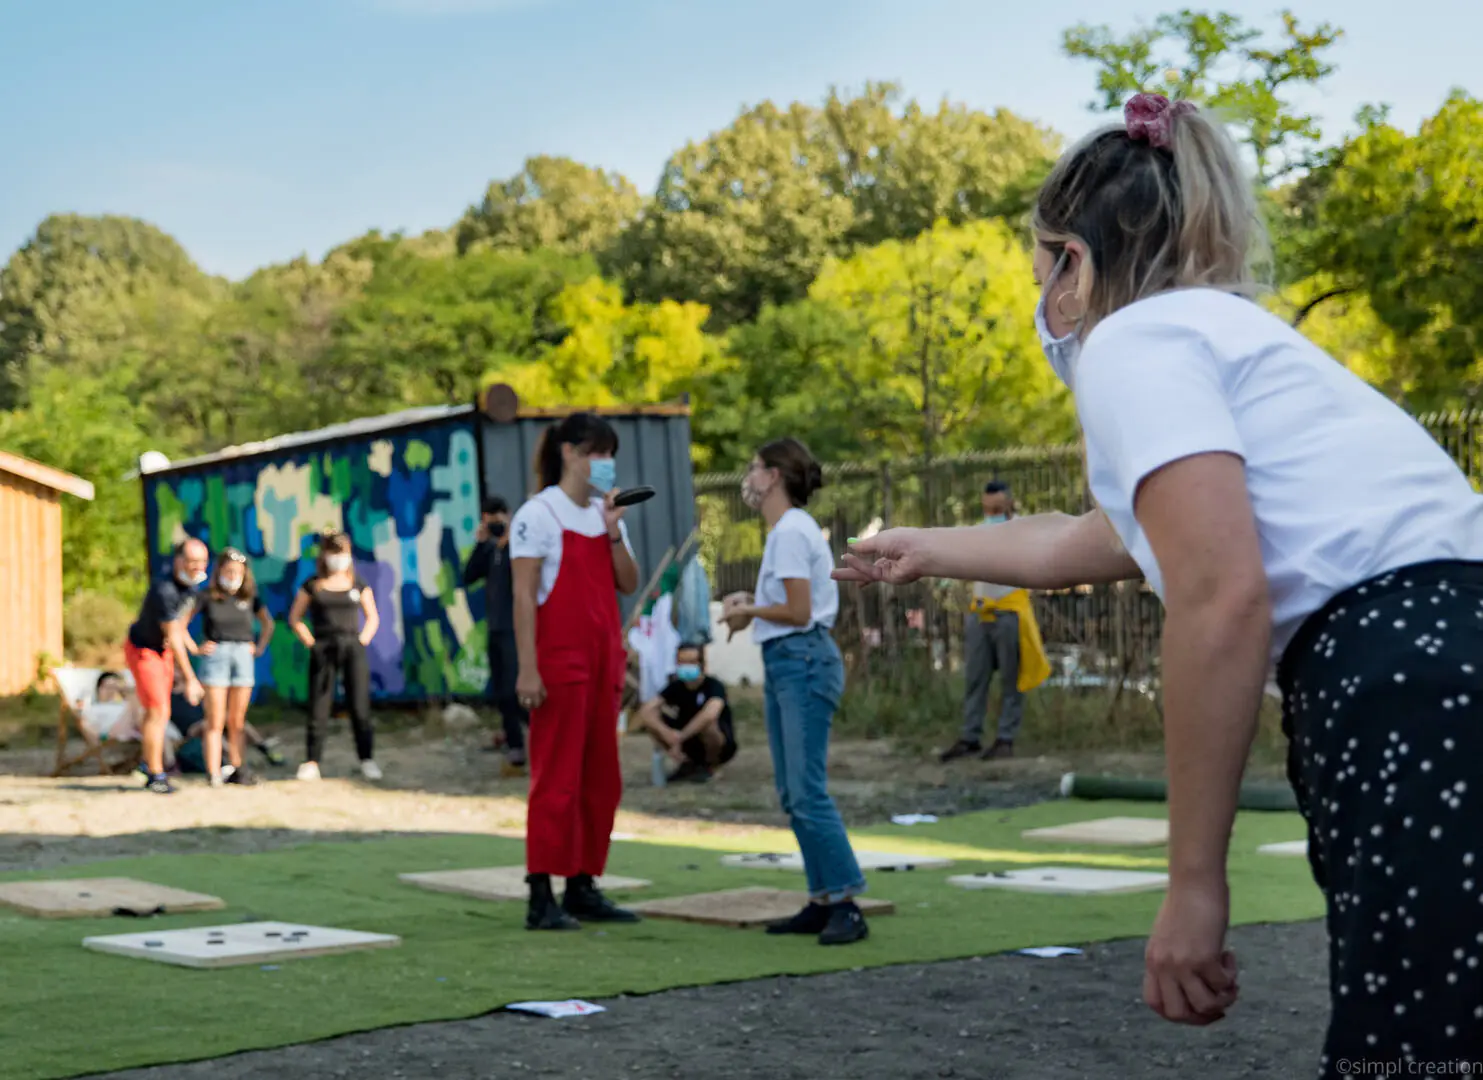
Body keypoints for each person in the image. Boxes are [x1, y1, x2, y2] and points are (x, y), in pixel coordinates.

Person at [834, 92, 1483, 1075]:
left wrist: (1191, 885)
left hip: (1414, 690)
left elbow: (1219, 594)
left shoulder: (1132, 343)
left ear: (1074, 261)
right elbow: (1087, 540)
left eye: (1039, 267)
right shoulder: (1242, 346)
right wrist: (930, 547)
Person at [719, 437, 868, 946]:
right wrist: (754, 602)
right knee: (793, 792)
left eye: (757, 467)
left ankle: (846, 900)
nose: (750, 477)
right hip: (794, 660)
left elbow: (799, 611)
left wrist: (749, 612)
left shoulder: (788, 532)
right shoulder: (791, 530)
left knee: (806, 791)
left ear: (775, 476)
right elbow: (791, 602)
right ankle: (822, 897)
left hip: (800, 659)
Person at [510, 412, 641, 931]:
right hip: (559, 663)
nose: (604, 464)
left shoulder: (602, 514)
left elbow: (626, 581)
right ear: (569, 452)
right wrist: (527, 668)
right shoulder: (537, 514)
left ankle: (584, 882)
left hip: (603, 662)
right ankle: (541, 891)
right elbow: (523, 595)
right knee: (556, 779)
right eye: (596, 452)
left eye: (609, 454)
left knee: (600, 781)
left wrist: (613, 532)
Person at [941, 480, 1050, 762]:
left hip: (1010, 612)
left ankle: (1005, 739)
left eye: (998, 508)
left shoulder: (1023, 531)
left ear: (1010, 504)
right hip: (981, 612)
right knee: (975, 678)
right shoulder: (979, 532)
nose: (992, 513)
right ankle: (970, 737)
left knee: (1013, 680)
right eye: (988, 509)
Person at [287, 531, 381, 782]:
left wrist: (362, 640)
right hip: (324, 647)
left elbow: (372, 616)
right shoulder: (313, 584)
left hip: (352, 646)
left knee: (359, 706)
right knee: (319, 705)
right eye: (333, 552)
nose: (338, 557)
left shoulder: (357, 583)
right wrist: (310, 642)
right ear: (324, 555)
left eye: (342, 552)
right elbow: (295, 618)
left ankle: (367, 759)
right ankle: (312, 760)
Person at [124, 538, 209, 794]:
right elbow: (172, 634)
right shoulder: (165, 590)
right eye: (193, 561)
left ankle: (147, 763)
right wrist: (191, 678)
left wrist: (194, 648)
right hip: (144, 650)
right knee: (156, 711)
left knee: (163, 713)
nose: (198, 566)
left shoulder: (191, 590)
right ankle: (155, 774)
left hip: (164, 652)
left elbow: (181, 628)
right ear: (179, 560)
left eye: (202, 561)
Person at [193, 548, 275, 788]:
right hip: (217, 655)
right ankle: (214, 771)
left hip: (242, 655)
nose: (232, 576)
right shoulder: (207, 595)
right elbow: (179, 623)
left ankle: (239, 768)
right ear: (219, 571)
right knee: (215, 720)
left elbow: (267, 623)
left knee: (237, 720)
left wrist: (259, 647)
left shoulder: (249, 596)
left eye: (237, 572)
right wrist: (196, 648)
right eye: (228, 571)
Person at [463, 495, 528, 777]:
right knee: (501, 692)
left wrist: (510, 539)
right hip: (496, 627)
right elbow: (468, 577)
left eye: (500, 520)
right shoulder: (489, 551)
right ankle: (515, 745)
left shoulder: (519, 547)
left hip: (516, 629)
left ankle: (538, 736)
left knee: (517, 691)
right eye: (491, 521)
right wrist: (481, 543)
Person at [634, 643, 737, 783]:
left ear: (701, 664)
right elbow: (647, 710)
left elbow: (710, 713)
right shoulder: (676, 686)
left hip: (717, 742)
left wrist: (681, 737)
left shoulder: (713, 686)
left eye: (691, 662)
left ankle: (711, 766)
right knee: (651, 719)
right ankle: (686, 763)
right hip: (686, 738)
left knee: (709, 725)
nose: (686, 666)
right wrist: (667, 733)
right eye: (682, 662)